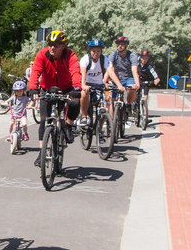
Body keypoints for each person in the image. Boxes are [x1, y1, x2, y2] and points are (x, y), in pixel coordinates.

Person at [27, 30, 81, 167]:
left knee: (75, 103)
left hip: (66, 88)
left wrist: (77, 88)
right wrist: (33, 88)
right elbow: (35, 72)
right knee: (44, 120)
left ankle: (68, 126)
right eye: (50, 44)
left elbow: (75, 71)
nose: (52, 47)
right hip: (47, 89)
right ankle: (42, 151)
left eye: (56, 45)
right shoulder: (42, 54)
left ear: (63, 46)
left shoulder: (70, 55)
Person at [78, 39, 123, 126]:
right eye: (93, 51)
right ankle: (84, 117)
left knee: (108, 101)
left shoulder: (104, 59)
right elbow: (82, 73)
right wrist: (83, 85)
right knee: (84, 93)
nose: (96, 53)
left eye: (98, 51)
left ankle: (104, 126)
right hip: (88, 84)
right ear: (90, 51)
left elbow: (110, 72)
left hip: (99, 84)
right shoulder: (85, 59)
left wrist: (119, 85)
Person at [106, 36, 140, 109]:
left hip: (128, 78)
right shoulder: (113, 55)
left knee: (131, 89)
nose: (120, 46)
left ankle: (128, 105)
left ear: (126, 45)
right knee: (112, 101)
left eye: (122, 44)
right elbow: (109, 69)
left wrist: (137, 84)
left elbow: (134, 70)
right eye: (118, 44)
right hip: (117, 79)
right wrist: (104, 81)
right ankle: (112, 119)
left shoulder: (132, 56)